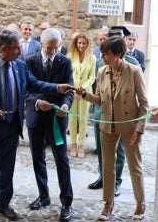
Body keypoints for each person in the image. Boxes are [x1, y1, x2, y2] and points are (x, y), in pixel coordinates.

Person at [0, 27, 72, 220]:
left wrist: (57, 87)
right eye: (17, 48)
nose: (21, 52)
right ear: (4, 49)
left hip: (11, 127)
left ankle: (3, 204)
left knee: (7, 168)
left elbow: (36, 84)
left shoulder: (20, 66)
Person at [76, 36, 148, 221]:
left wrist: (139, 130)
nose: (103, 57)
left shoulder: (134, 71)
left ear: (118, 54)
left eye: (106, 54)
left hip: (129, 126)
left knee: (135, 166)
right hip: (106, 125)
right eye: (102, 53)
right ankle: (108, 204)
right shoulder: (101, 71)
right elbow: (99, 99)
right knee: (107, 167)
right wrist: (84, 94)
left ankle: (140, 203)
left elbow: (144, 104)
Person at [25, 28, 73, 221]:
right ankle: (43, 195)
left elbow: (69, 90)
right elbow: (25, 90)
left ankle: (66, 202)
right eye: (50, 48)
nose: (54, 51)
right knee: (38, 158)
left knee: (61, 159)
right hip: (36, 117)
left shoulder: (65, 61)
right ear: (42, 44)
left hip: (57, 118)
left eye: (57, 47)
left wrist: (65, 105)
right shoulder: (28, 61)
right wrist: (37, 102)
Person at [67, 33, 96, 158]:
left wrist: (82, 89)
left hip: (85, 92)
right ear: (76, 43)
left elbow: (92, 77)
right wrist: (74, 89)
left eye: (84, 43)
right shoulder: (69, 56)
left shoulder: (92, 58)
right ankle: (73, 144)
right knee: (72, 119)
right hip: (72, 91)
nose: (81, 45)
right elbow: (67, 74)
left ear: (87, 44)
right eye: (79, 43)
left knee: (83, 119)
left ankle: (81, 145)